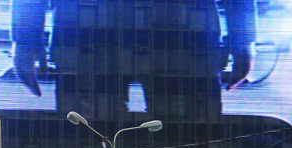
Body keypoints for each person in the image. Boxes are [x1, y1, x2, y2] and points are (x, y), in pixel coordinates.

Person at [13, 0, 258, 122]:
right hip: (182, 31)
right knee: (187, 144)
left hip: (87, 30)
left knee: (87, 144)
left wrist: (26, 38)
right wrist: (243, 39)